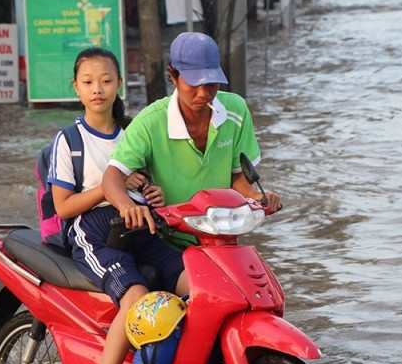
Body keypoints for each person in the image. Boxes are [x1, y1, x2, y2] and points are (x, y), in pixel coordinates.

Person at [48, 47, 189, 364]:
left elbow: (147, 185)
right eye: (88, 82)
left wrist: (153, 195)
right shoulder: (69, 141)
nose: (98, 89)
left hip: (141, 226)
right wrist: (111, 187)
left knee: (198, 281)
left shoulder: (134, 133)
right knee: (136, 296)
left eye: (106, 80)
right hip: (94, 233)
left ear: (119, 84)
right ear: (76, 87)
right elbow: (64, 207)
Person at [102, 32, 281, 249]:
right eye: (194, 84)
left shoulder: (236, 110)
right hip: (167, 240)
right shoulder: (150, 122)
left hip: (222, 237)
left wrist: (258, 196)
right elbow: (112, 176)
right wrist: (128, 207)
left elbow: (238, 180)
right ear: (173, 75)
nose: (204, 93)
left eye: (211, 84)